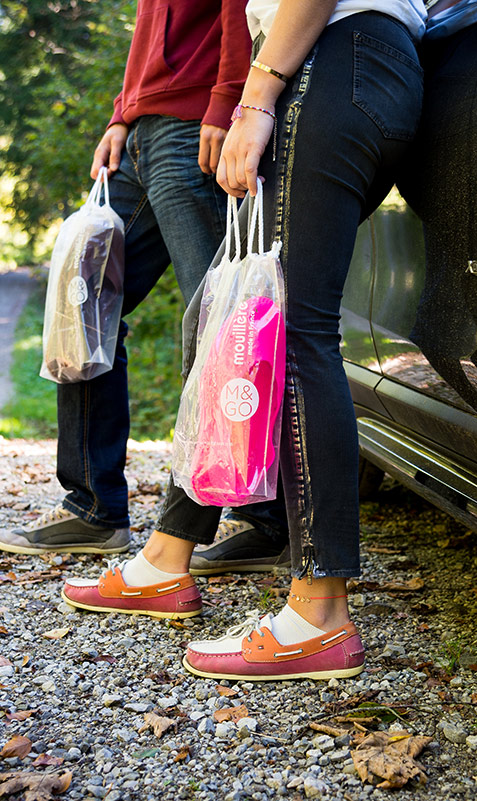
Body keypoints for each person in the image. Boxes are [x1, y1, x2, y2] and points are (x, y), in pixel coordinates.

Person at [61, 0, 426, 681]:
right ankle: (169, 556)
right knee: (263, 324)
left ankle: (317, 613)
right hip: (374, 65)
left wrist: (254, 95)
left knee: (289, 332)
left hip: (325, 57)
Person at [0, 0, 290, 574]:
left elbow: (235, 11)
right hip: (143, 132)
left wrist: (227, 102)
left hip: (196, 124)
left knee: (224, 322)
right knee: (82, 311)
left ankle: (261, 518)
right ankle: (94, 508)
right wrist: (121, 115)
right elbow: (152, 28)